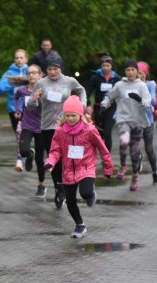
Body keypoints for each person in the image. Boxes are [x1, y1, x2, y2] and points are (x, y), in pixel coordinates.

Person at [44, 96, 113, 238]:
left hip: (86, 168)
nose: (70, 118)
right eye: (67, 115)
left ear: (80, 115)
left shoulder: (90, 130)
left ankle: (91, 193)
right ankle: (80, 225)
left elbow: (103, 149)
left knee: (85, 193)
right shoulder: (60, 131)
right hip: (68, 170)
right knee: (70, 201)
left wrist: (108, 168)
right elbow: (55, 150)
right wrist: (50, 162)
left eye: (73, 115)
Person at [34, 52, 87, 208]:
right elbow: (31, 105)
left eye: (55, 69)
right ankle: (59, 185)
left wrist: (82, 105)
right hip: (47, 126)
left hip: (65, 125)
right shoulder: (41, 83)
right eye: (49, 69)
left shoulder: (69, 81)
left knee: (64, 157)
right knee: (53, 158)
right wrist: (33, 99)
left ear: (61, 68)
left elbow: (82, 90)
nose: (52, 72)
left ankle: (63, 184)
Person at [101, 60, 151, 191]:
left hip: (138, 121)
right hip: (123, 119)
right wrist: (104, 105)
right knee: (124, 142)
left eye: (133, 70)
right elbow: (109, 97)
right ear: (125, 72)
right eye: (128, 70)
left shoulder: (142, 86)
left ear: (136, 71)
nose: (130, 72)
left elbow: (149, 105)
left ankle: (135, 177)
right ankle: (123, 166)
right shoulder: (119, 85)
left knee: (135, 153)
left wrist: (139, 99)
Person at [13, 64, 48, 197]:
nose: (31, 75)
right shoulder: (22, 90)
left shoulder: (44, 91)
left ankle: (42, 184)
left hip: (41, 127)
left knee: (40, 160)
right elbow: (15, 97)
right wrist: (18, 110)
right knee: (23, 150)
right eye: (29, 73)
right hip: (27, 125)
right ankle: (29, 155)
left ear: (41, 75)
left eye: (34, 73)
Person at [85, 54, 120, 153]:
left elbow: (122, 91)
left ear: (111, 66)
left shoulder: (116, 78)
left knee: (108, 132)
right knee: (100, 132)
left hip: (111, 107)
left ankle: (107, 157)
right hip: (98, 107)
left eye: (107, 66)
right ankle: (96, 154)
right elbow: (87, 92)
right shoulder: (96, 77)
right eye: (103, 66)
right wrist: (88, 104)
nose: (105, 68)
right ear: (101, 66)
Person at [137, 61, 157, 184]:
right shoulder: (131, 85)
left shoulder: (150, 85)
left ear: (146, 74)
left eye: (141, 73)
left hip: (148, 121)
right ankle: (138, 159)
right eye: (137, 73)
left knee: (149, 149)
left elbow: (153, 102)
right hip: (135, 120)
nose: (139, 76)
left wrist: (143, 87)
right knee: (134, 147)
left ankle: (155, 172)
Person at [0, 49, 29, 134]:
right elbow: (0, 88)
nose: (19, 60)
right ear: (14, 60)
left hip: (30, 108)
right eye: (17, 58)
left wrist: (27, 81)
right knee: (19, 134)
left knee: (31, 133)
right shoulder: (9, 73)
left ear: (26, 59)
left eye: (21, 58)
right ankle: (22, 147)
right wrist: (13, 82)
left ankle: (29, 147)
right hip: (14, 109)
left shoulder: (31, 72)